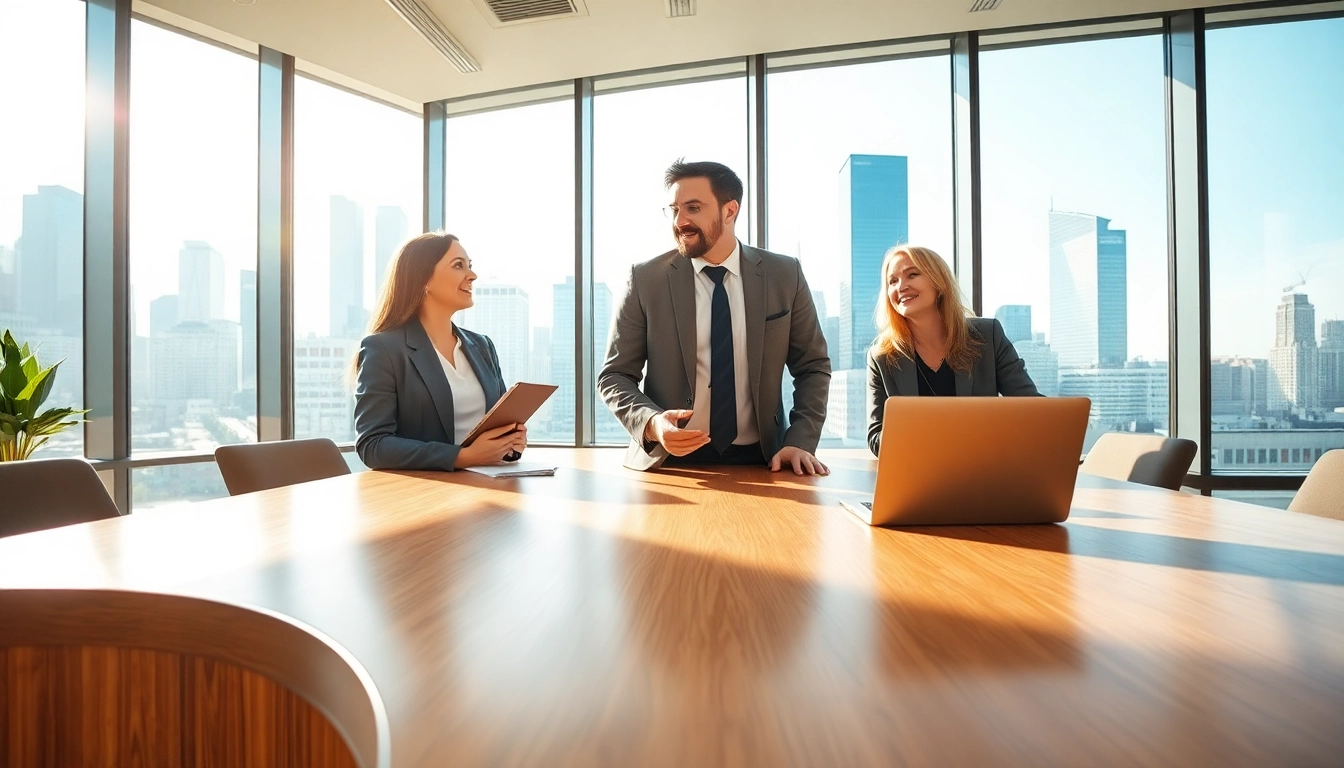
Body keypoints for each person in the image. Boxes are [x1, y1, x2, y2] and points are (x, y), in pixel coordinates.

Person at [600, 160, 831, 474]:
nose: (680, 221)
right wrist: (653, 423)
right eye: (674, 209)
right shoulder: (645, 279)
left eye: (693, 208)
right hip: (669, 463)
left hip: (766, 460)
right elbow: (614, 376)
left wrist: (800, 440)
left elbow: (813, 366)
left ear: (729, 210)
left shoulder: (784, 274)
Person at [354, 232, 527, 470]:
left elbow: (499, 424)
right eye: (458, 265)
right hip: (425, 495)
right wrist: (464, 457)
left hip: (489, 484)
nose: (473, 275)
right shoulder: (383, 349)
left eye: (470, 266)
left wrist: (510, 441)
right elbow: (373, 445)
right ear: (423, 279)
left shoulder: (483, 346)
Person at [866, 244, 1038, 456]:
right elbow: (875, 439)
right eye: (893, 281)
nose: (901, 286)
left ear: (940, 283)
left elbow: (1032, 408)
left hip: (983, 466)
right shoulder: (882, 356)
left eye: (912, 275)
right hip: (919, 472)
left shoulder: (987, 335)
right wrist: (917, 428)